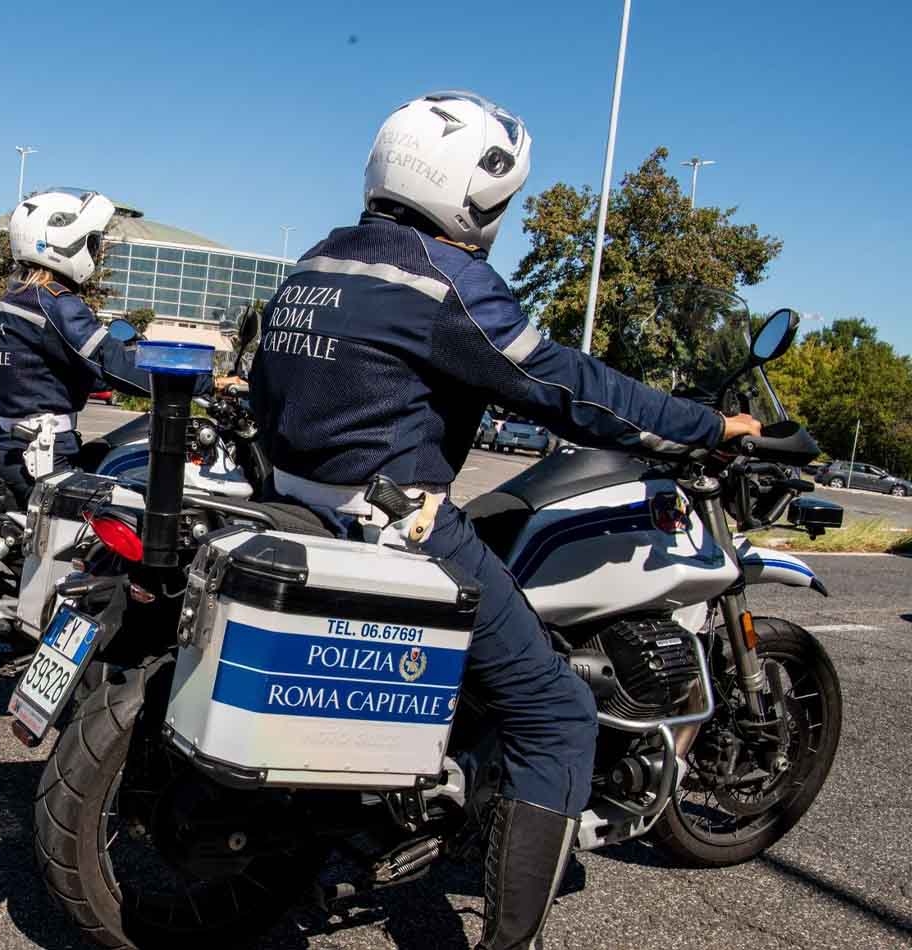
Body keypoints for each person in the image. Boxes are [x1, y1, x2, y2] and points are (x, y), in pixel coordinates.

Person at [248, 91, 762, 950]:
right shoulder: (443, 277)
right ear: (472, 194)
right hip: (397, 520)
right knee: (557, 712)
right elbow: (564, 386)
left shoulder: (321, 261)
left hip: (298, 500)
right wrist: (706, 426)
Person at [0, 189, 215, 505]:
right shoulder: (57, 305)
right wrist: (202, 380)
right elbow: (114, 364)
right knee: (127, 518)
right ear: (65, 241)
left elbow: (59, 374)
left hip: (9, 450)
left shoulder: (13, 301)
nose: (94, 252)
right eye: (91, 242)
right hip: (45, 460)